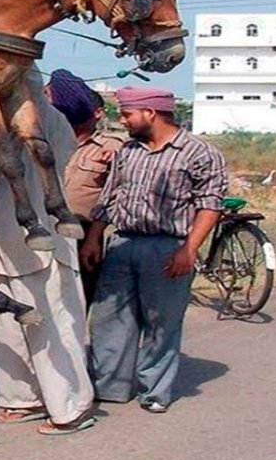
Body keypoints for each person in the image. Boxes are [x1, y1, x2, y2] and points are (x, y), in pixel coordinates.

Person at [81, 86, 228, 414]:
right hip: (122, 244)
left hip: (168, 247)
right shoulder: (128, 150)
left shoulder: (199, 153)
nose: (123, 120)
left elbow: (209, 206)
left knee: (161, 322)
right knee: (108, 320)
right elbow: (110, 197)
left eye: (127, 113)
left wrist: (189, 249)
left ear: (151, 112)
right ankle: (110, 387)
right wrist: (95, 237)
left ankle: (154, 391)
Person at [0, 76, 96, 436]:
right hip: (11, 244)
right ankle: (22, 399)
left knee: (53, 326)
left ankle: (71, 407)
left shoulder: (46, 119)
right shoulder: (17, 121)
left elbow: (27, 88)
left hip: (44, 245)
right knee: (10, 328)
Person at [44, 69, 123, 304]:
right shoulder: (48, 142)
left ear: (98, 113)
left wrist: (93, 238)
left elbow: (113, 196)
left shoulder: (111, 147)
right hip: (46, 228)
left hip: (84, 232)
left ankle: (75, 341)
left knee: (78, 299)